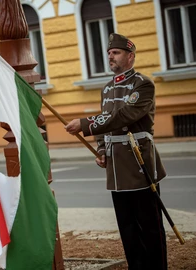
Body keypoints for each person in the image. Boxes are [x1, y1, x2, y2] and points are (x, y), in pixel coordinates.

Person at [65, 33, 167, 269]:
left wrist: (85, 124)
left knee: (149, 226)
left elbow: (123, 116)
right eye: (109, 53)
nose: (110, 56)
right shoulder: (107, 89)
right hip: (116, 168)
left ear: (130, 56)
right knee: (127, 227)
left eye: (116, 52)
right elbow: (106, 123)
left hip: (138, 163)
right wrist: (101, 148)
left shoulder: (143, 84)